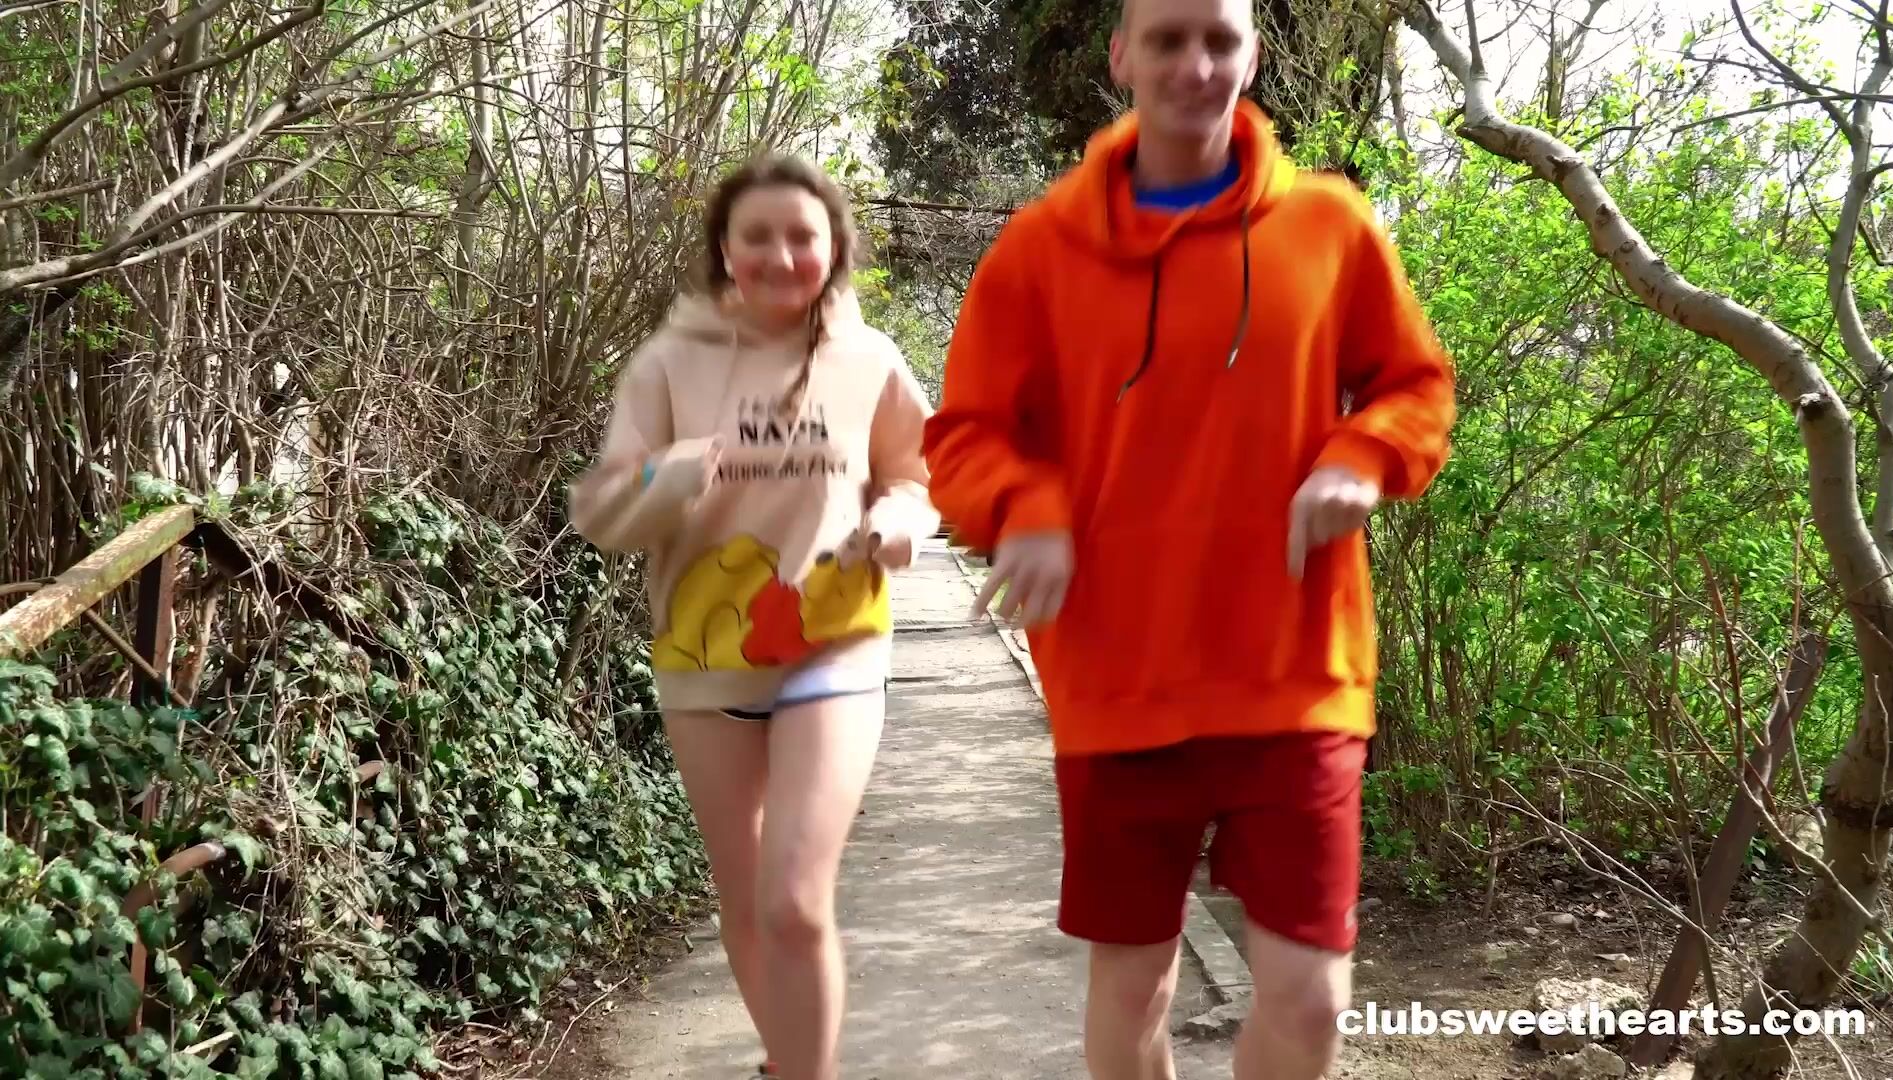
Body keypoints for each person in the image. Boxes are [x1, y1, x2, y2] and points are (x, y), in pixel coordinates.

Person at [920, 0, 1457, 1077]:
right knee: (1135, 996)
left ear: (1252, 54)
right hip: (1119, 681)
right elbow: (966, 435)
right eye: (1168, 39)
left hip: (1297, 671)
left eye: (1220, 39)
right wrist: (1026, 510)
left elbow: (1415, 387)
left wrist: (1361, 458)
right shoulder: (1039, 249)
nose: (1196, 64)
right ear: (1122, 56)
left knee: (1311, 1002)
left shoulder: (1332, 226)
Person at [570, 155, 939, 1080]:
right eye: (758, 237)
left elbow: (917, 473)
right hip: (704, 657)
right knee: (744, 901)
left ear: (834, 247)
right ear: (725, 251)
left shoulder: (869, 360)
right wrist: (672, 472)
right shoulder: (668, 363)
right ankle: (790, 1063)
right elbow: (601, 511)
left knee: (794, 899)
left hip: (835, 643)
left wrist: (899, 520)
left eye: (802, 236)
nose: (781, 256)